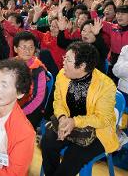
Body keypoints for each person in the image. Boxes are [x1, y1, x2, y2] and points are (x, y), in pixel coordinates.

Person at [41, 42, 119, 176]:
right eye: (65, 57)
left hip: (97, 130)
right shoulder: (62, 75)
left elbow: (103, 119)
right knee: (47, 142)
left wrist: (75, 122)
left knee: (73, 156)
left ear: (82, 66)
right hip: (68, 122)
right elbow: (58, 102)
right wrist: (62, 118)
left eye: (68, 60)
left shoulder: (106, 86)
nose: (63, 62)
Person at [13, 31, 47, 128]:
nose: (27, 51)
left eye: (31, 47)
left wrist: (20, 112)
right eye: (24, 47)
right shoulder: (11, 65)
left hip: (31, 109)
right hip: (12, 104)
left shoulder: (38, 70)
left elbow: (38, 98)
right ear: (15, 49)